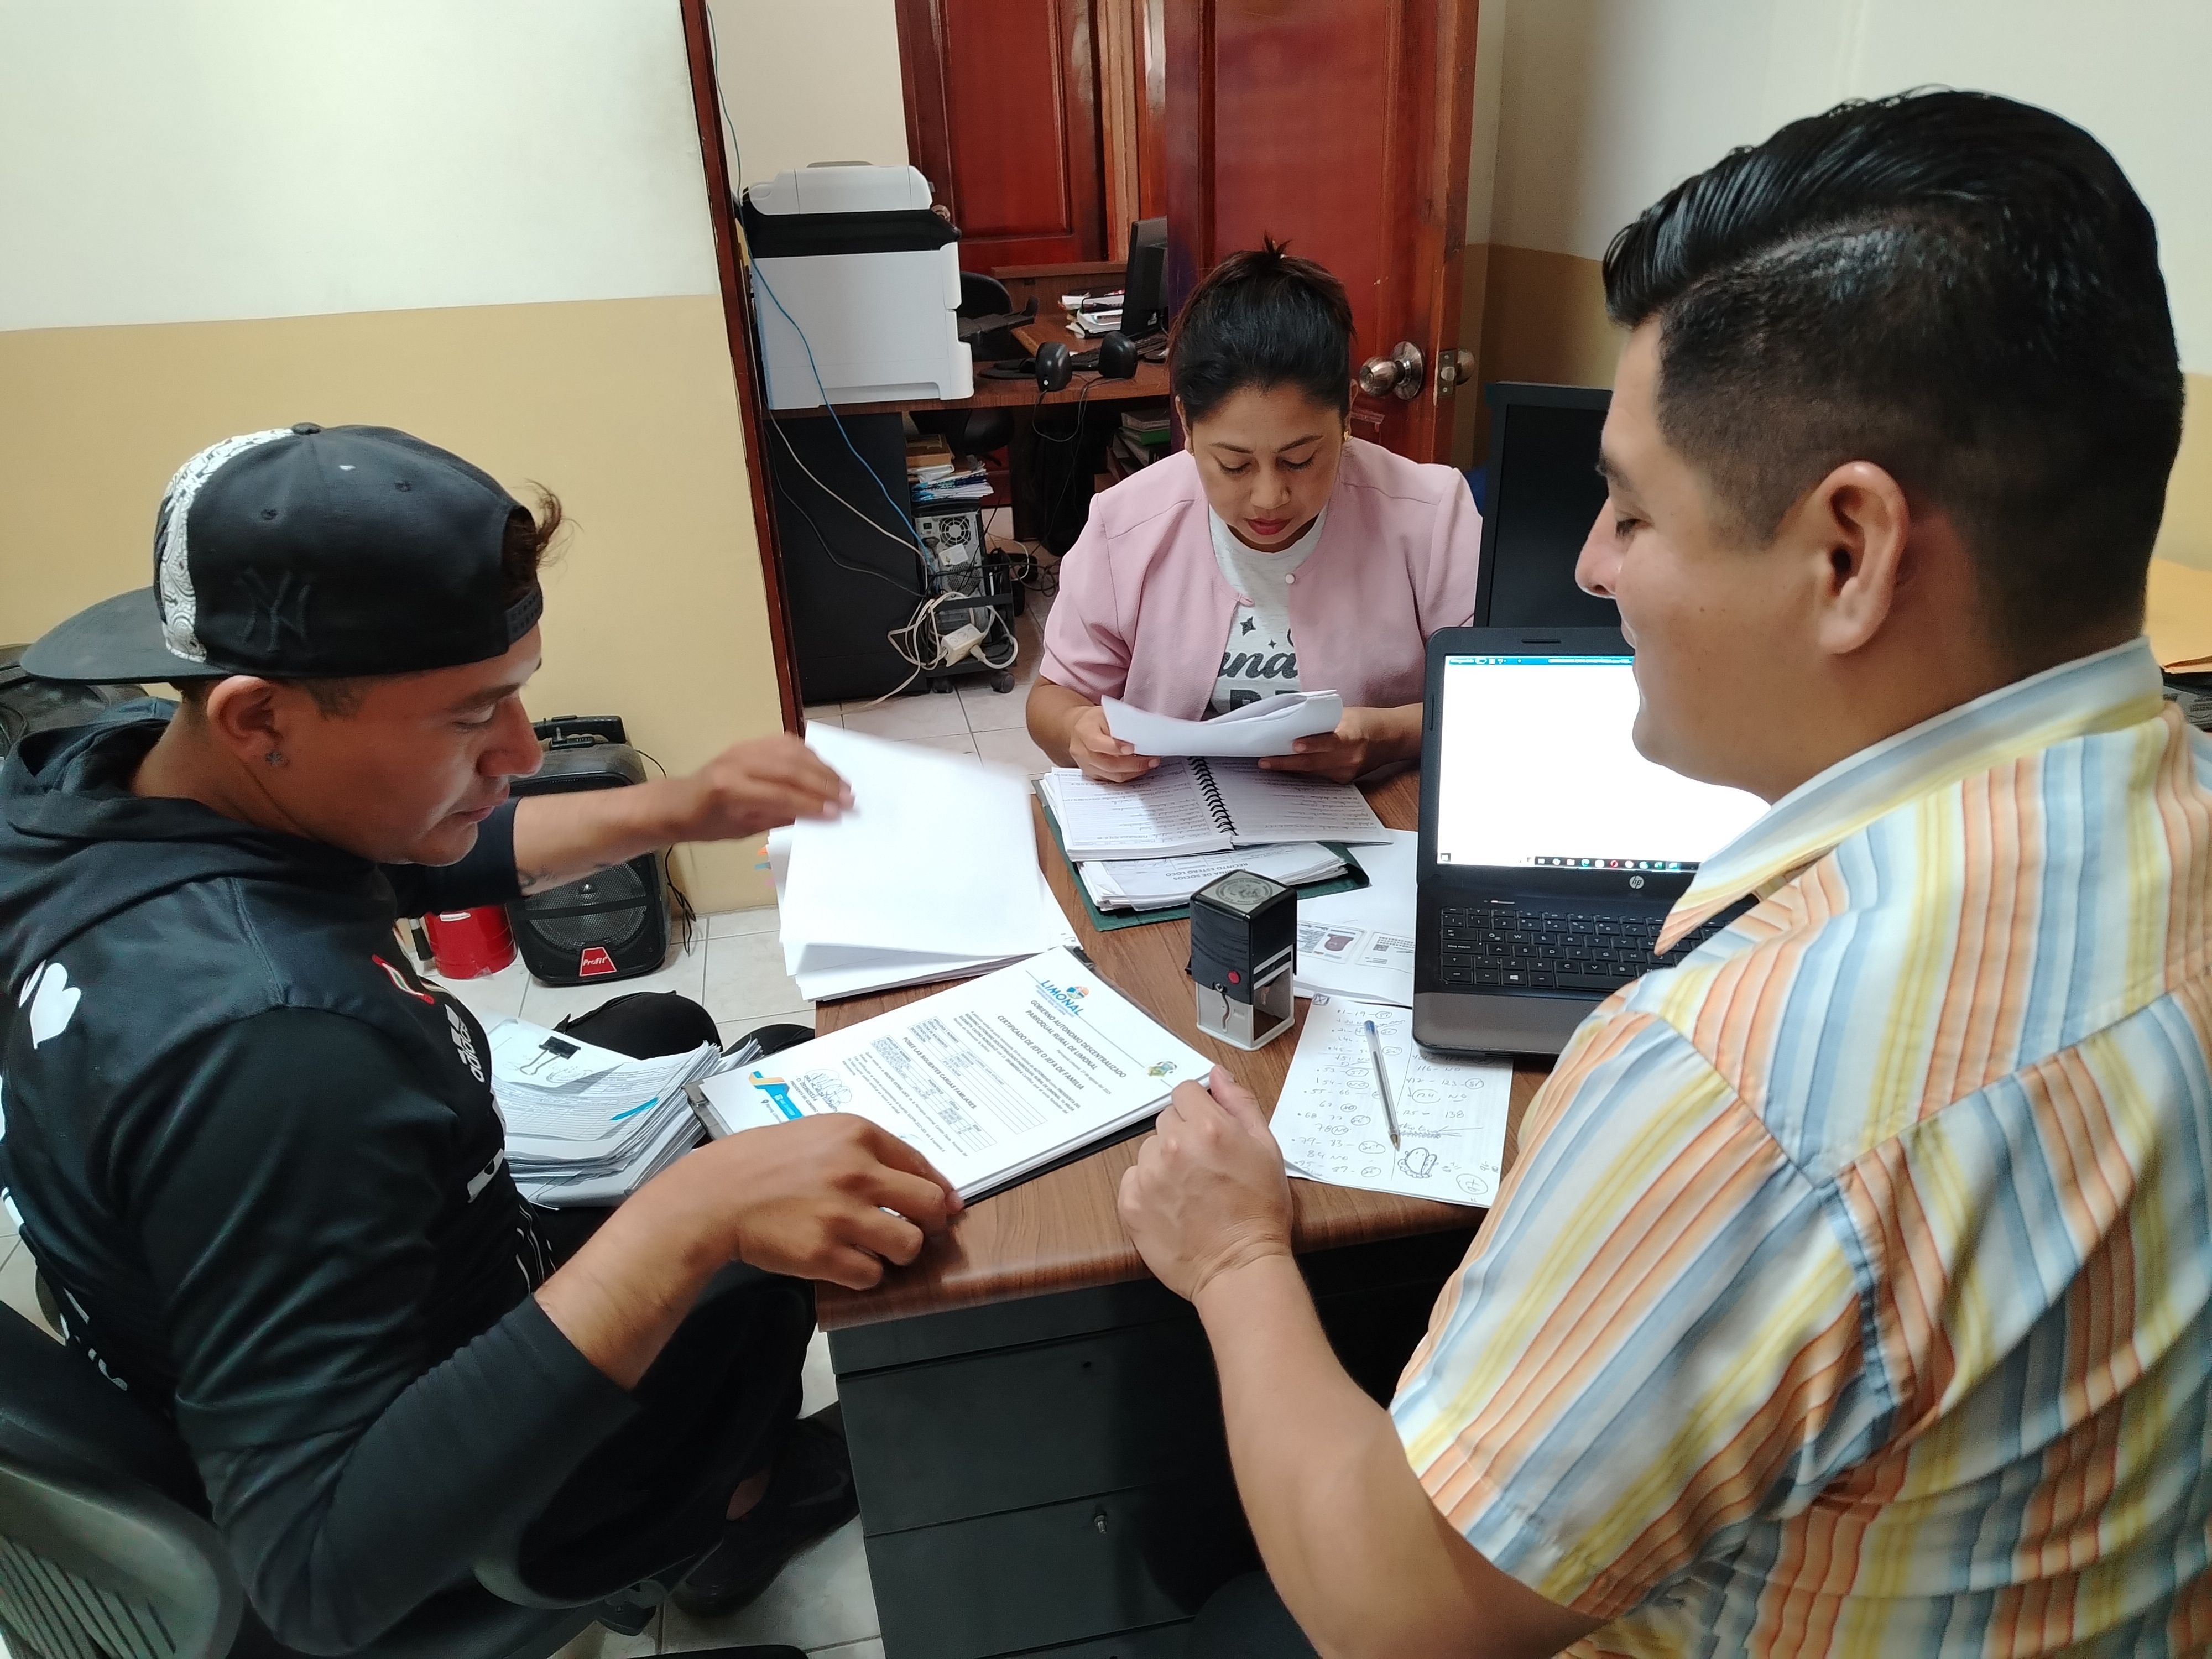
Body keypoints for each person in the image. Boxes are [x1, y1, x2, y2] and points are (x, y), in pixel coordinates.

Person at [1119, 91, 2212, 1656]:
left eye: (1633, 510)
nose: (1589, 564)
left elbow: (1389, 1609)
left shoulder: (1742, 1084)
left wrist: (1232, 1255)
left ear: (1847, 554)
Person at [0, 424, 961, 1654]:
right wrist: (692, 1219)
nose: (520, 754)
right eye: (471, 718)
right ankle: (732, 1508)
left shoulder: (99, 789)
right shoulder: (275, 1049)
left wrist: (683, 806)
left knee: (667, 1028)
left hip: (264, 1317)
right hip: (455, 1484)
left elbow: (410, 851)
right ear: (258, 717)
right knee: (775, 1126)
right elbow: (318, 1580)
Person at [1026, 242, 1481, 786]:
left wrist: (1386, 738)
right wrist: (1079, 730)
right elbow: (1052, 699)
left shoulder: (1430, 516)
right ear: (1186, 424)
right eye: (1234, 465)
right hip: (1181, 822)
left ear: (1346, 416)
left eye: (1300, 459)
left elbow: (1498, 701)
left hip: (1375, 817)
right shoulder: (1125, 525)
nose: (1269, 498)